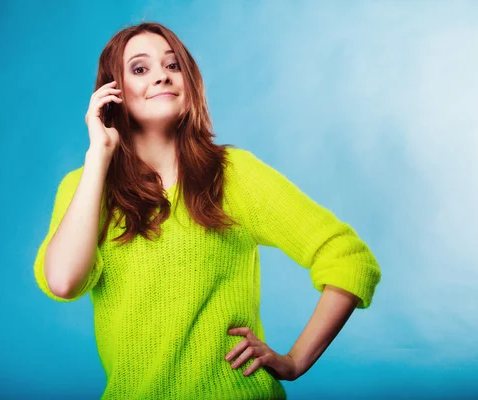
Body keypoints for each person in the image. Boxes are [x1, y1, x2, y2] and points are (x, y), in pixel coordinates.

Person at [33, 21, 382, 400]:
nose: (162, 77)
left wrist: (295, 361)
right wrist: (99, 157)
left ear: (190, 81)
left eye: (173, 65)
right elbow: (64, 282)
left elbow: (349, 259)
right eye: (139, 69)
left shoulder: (233, 174)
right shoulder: (85, 186)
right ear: (111, 93)